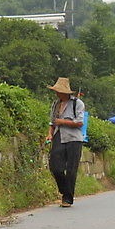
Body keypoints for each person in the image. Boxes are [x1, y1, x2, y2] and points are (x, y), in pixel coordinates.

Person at [45, 77, 85, 207]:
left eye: (59, 91)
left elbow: (79, 122)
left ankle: (68, 198)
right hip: (59, 137)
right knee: (55, 166)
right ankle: (65, 191)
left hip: (74, 139)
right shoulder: (55, 104)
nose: (57, 94)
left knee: (71, 169)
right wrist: (49, 134)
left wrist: (63, 122)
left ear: (66, 92)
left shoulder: (77, 104)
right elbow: (52, 122)